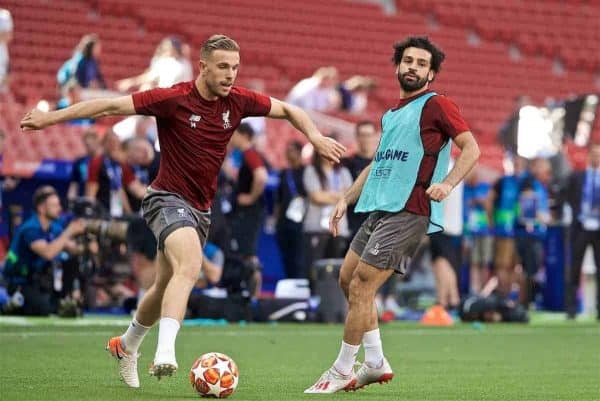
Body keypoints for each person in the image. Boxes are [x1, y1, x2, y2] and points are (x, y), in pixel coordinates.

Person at [20, 34, 345, 388]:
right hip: (165, 199)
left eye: (235, 67)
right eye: (223, 67)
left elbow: (290, 110)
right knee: (190, 265)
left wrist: (314, 136)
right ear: (202, 66)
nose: (230, 74)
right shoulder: (173, 98)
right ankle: (165, 353)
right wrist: (50, 117)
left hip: (200, 208)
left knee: (162, 288)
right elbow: (109, 107)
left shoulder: (237, 102)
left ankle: (126, 345)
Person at [304, 36, 479, 394]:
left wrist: (447, 184)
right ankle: (375, 361)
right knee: (346, 279)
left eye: (421, 63)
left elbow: (471, 148)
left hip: (410, 208)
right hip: (380, 206)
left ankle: (342, 369)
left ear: (430, 73)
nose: (413, 67)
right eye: (408, 61)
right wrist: (346, 197)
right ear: (397, 66)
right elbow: (376, 163)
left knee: (362, 285)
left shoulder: (437, 105)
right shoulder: (392, 113)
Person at [2, 186, 86, 315]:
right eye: (54, 205)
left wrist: (86, 244)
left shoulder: (54, 228)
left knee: (72, 262)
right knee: (44, 309)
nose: (59, 209)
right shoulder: (30, 228)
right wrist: (69, 231)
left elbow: (72, 248)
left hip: (42, 283)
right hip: (20, 284)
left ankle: (69, 299)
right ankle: (10, 305)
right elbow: (48, 253)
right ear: (41, 208)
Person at [565, 141, 600, 320]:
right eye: (593, 154)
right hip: (580, 227)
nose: (596, 157)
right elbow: (568, 195)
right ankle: (571, 309)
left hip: (598, 229)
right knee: (574, 267)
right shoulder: (577, 177)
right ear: (589, 156)